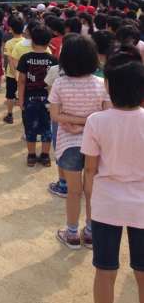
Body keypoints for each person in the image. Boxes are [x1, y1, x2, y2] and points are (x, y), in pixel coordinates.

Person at [82, 55, 144, 303]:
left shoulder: (96, 121)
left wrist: (90, 208)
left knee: (105, 271)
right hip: (142, 205)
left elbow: (90, 169)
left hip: (107, 203)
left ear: (108, 86)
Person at [49, 35, 111, 250]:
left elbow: (55, 115)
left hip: (69, 143)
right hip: (95, 144)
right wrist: (88, 123)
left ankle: (72, 233)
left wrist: (75, 123)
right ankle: (92, 232)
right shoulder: (101, 84)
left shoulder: (60, 83)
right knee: (92, 190)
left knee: (74, 191)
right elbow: (106, 114)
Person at [17, 25, 57, 167]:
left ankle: (31, 156)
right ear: (49, 41)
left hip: (29, 99)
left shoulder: (25, 58)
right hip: (49, 100)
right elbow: (56, 83)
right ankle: (45, 156)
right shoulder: (53, 60)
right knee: (47, 128)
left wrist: (20, 100)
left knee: (30, 127)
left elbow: (21, 81)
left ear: (32, 41)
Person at [3, 16, 24, 124]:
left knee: (10, 95)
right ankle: (24, 116)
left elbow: (9, 60)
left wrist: (14, 74)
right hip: (24, 74)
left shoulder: (9, 43)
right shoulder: (25, 42)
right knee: (22, 94)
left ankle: (10, 115)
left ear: (11, 29)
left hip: (11, 74)